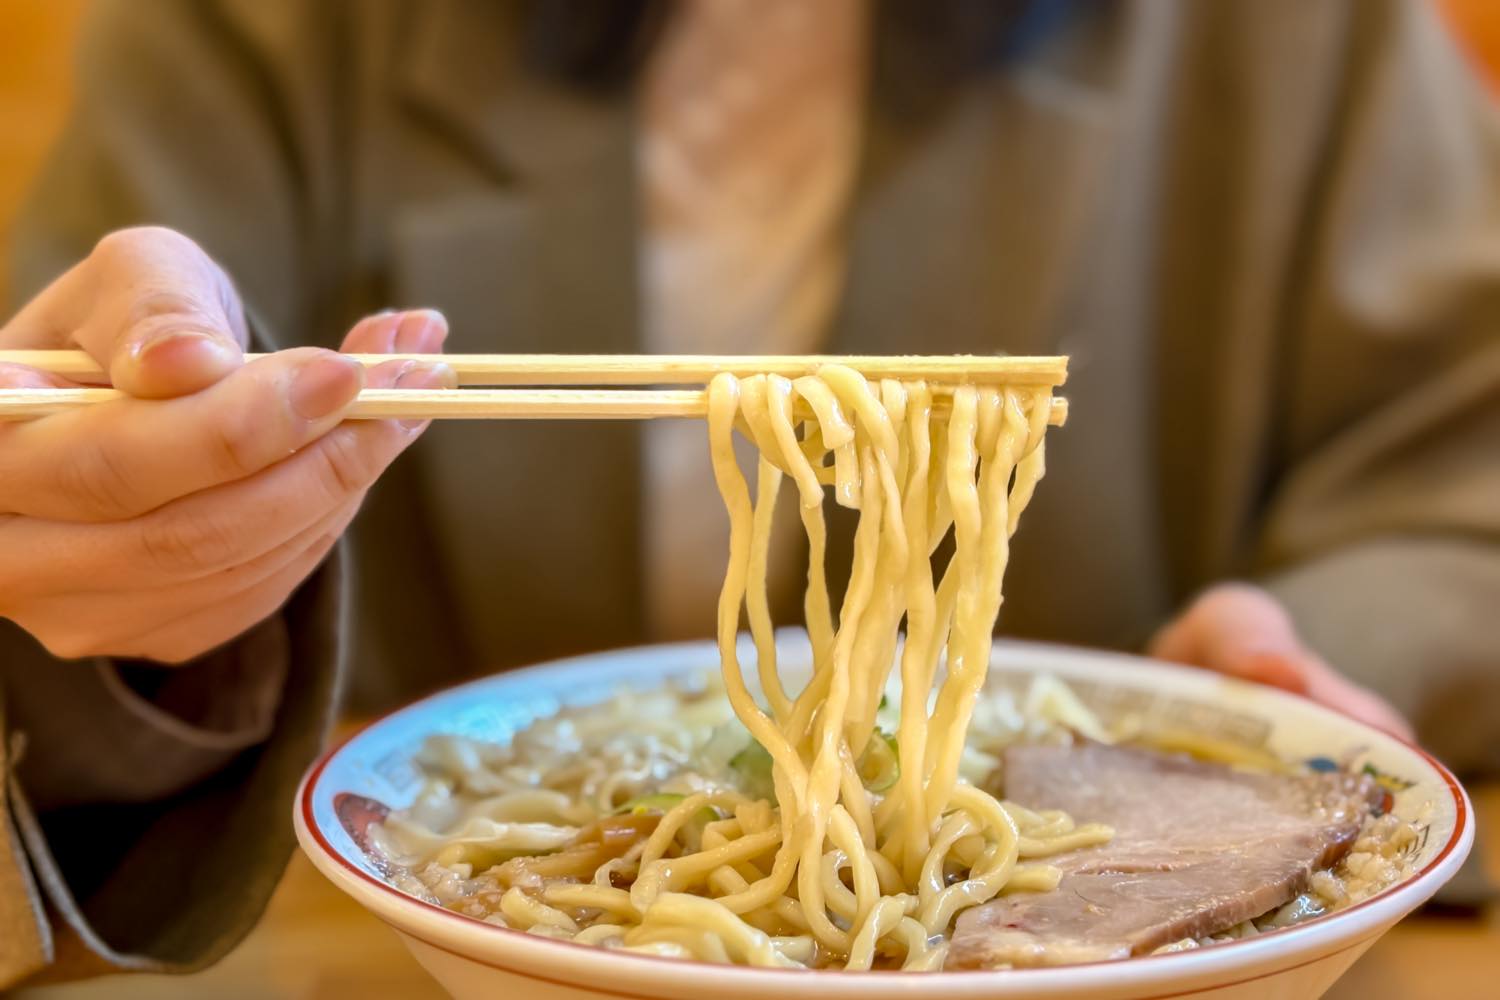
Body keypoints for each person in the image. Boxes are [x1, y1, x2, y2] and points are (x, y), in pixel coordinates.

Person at [1, 0, 1496, 987]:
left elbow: (1467, 452)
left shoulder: (1304, 35)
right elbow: (54, 429)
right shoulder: (265, 25)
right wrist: (121, 562)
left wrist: (1302, 641)